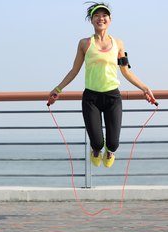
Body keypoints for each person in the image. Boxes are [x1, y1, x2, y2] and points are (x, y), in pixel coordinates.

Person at [48, 2, 156, 168]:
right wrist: (58, 89)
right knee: (97, 142)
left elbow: (126, 71)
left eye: (104, 15)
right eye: (96, 16)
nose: (101, 18)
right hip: (91, 98)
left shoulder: (118, 43)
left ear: (110, 20)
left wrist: (144, 88)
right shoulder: (84, 43)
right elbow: (74, 70)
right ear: (91, 20)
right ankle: (96, 150)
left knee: (113, 143)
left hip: (113, 97)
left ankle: (110, 150)